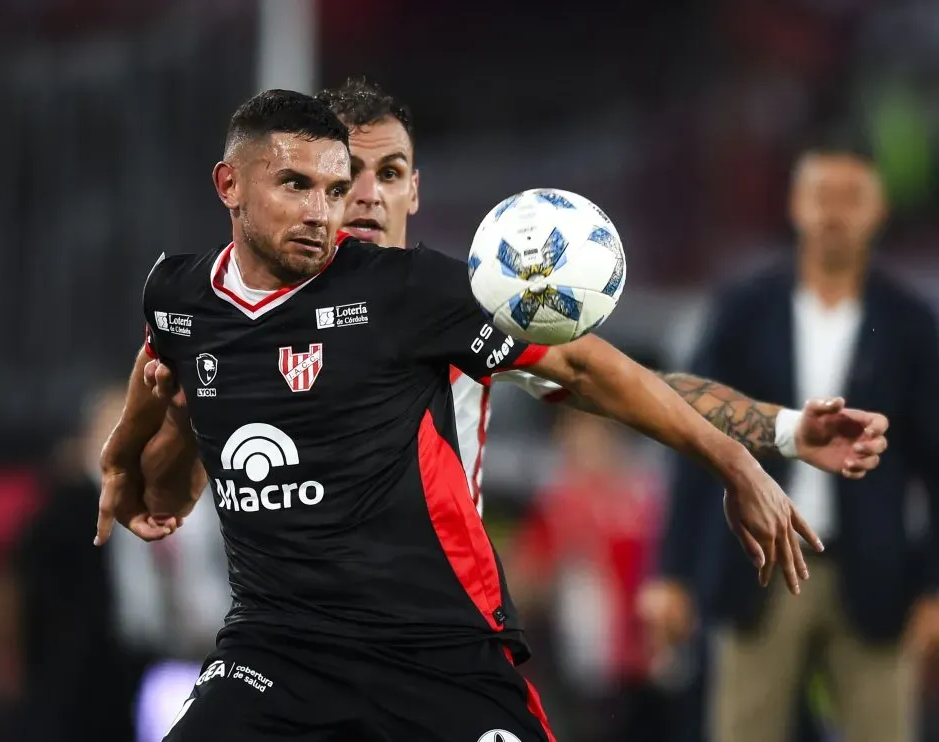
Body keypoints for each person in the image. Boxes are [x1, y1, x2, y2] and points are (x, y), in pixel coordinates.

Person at [94, 89, 866, 741]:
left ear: (413, 191)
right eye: (335, 178)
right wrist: (125, 455)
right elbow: (175, 388)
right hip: (281, 647)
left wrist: (774, 437)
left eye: (377, 176)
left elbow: (598, 370)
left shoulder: (436, 296)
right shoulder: (189, 297)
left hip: (438, 645)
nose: (352, 199)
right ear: (234, 184)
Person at [640, 141, 939, 742]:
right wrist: (670, 572)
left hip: (874, 574)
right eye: (821, 196)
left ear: (878, 209)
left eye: (851, 198)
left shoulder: (910, 323)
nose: (834, 213)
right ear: (795, 205)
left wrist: (935, 588)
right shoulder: (744, 310)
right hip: (758, 562)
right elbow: (694, 434)